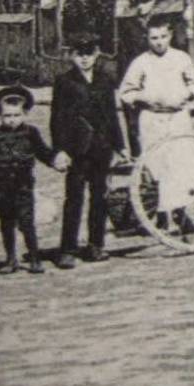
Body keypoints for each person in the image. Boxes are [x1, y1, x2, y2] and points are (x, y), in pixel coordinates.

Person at [119, 15, 194, 233]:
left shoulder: (181, 58)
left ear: (171, 36)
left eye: (163, 37)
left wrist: (187, 94)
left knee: (180, 166)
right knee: (158, 167)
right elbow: (126, 92)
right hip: (153, 119)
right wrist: (143, 97)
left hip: (177, 118)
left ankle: (181, 213)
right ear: (147, 38)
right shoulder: (140, 62)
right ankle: (162, 215)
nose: (159, 42)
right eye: (154, 38)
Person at [51, 33, 127, 268]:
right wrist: (60, 150)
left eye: (89, 54)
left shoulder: (104, 80)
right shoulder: (64, 81)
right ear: (72, 56)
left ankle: (96, 245)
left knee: (99, 198)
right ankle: (68, 249)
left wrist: (120, 146)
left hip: (101, 148)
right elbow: (57, 119)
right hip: (76, 150)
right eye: (79, 54)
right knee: (74, 198)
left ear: (96, 55)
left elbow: (112, 115)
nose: (84, 59)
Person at [0, 86, 68, 274]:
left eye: (16, 115)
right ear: (0, 116)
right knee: (6, 222)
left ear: (25, 114)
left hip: (24, 185)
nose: (12, 120)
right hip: (1, 188)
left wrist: (55, 160)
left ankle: (35, 258)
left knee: (27, 222)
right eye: (7, 116)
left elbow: (42, 152)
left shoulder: (31, 133)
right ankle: (11, 259)